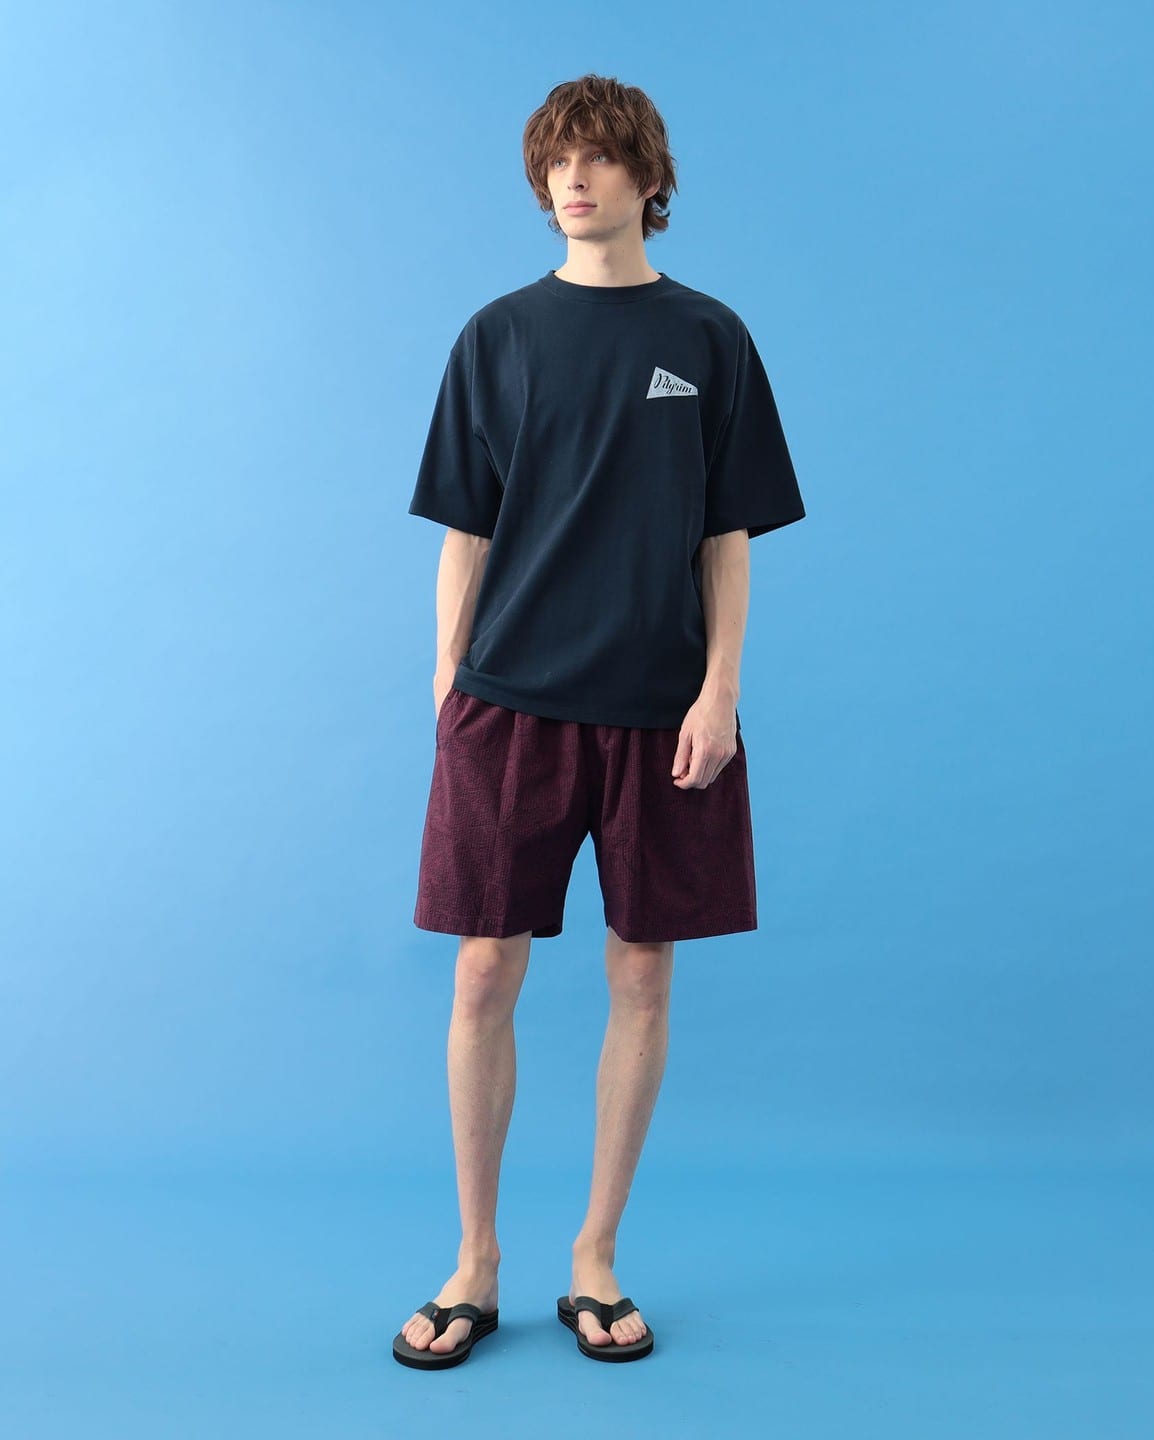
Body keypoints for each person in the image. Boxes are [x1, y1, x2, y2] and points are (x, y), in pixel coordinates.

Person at [393, 73, 806, 1370]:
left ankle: (595, 1255)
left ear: (648, 178)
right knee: (483, 971)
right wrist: (449, 678)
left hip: (659, 711)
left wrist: (721, 687)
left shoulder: (710, 338)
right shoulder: (497, 336)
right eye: (556, 162)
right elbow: (465, 531)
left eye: (599, 157)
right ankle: (475, 1260)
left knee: (643, 971)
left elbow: (727, 536)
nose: (574, 178)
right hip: (510, 705)